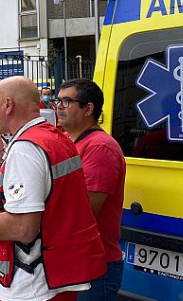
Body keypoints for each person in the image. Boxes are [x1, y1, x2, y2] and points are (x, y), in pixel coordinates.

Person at [0, 76, 105, 301]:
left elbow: (23, 228)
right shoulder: (53, 137)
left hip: (32, 286)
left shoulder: (26, 148)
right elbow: (44, 188)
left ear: (8, 105)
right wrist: (1, 156)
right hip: (55, 278)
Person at [56, 79, 125, 301]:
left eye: (67, 101)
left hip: (94, 265)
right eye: (57, 101)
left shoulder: (99, 147)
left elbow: (86, 211)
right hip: (73, 261)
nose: (58, 107)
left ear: (88, 108)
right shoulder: (68, 141)